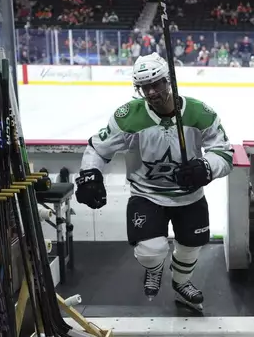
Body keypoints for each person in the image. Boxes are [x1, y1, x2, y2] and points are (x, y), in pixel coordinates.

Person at [75, 52, 234, 311]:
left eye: (157, 83)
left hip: (190, 196)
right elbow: (98, 148)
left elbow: (224, 155)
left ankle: (182, 284)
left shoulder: (200, 113)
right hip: (147, 194)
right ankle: (155, 268)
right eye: (144, 87)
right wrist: (90, 174)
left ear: (169, 79)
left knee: (190, 246)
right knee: (150, 251)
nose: (151, 92)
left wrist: (206, 167)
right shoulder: (127, 116)